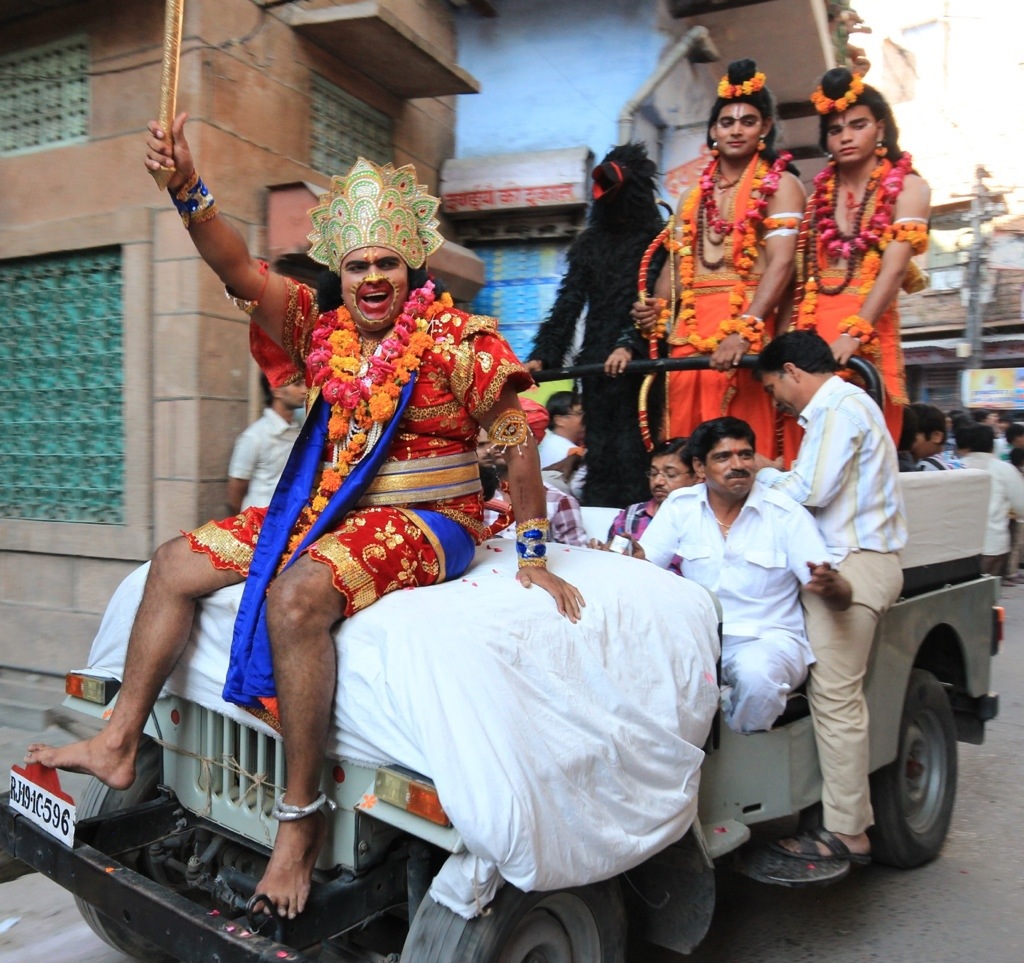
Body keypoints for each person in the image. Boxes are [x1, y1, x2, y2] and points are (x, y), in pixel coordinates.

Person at [26, 113, 584, 922]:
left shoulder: (462, 343)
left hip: (435, 519)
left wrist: (532, 554)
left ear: (411, 265)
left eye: (386, 262)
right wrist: (185, 186)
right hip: (329, 505)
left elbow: (516, 445)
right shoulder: (322, 331)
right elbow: (240, 270)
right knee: (173, 559)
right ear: (341, 271)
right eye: (356, 264)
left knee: (295, 598)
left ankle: (298, 821)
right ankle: (117, 741)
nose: (371, 278)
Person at [753, 330, 906, 865]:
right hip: (862, 558)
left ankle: (848, 831)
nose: (779, 400)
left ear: (793, 371)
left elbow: (811, 490)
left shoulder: (837, 408)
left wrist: (758, 480)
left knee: (836, 701)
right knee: (838, 698)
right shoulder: (848, 405)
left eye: (776, 389)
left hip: (853, 564)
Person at [619, 58, 805, 459]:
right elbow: (675, 265)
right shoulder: (691, 196)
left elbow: (782, 265)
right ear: (713, 131)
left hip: (747, 330)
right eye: (726, 122)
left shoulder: (781, 185)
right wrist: (657, 308)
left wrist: (747, 329)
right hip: (690, 334)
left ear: (766, 128)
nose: (736, 129)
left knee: (744, 449)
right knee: (688, 446)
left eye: (748, 121)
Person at [637, 417, 851, 733]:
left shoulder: (785, 514)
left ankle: (740, 741)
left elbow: (843, 598)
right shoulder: (681, 506)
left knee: (756, 677)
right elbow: (645, 565)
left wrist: (832, 586)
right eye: (723, 457)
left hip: (768, 642)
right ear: (700, 467)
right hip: (699, 640)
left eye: (745, 454)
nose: (738, 465)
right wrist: (622, 556)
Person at [788, 66, 931, 453]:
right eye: (835, 130)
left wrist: (855, 333)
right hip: (811, 334)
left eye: (858, 124)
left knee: (862, 457)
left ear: (880, 129)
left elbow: (895, 267)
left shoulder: (909, 188)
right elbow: (799, 279)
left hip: (867, 333)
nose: (846, 136)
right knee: (806, 458)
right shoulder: (814, 197)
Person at [527, 143, 665, 508]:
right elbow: (568, 301)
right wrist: (544, 355)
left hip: (644, 364)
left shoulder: (659, 239)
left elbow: (654, 298)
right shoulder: (589, 244)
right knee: (601, 444)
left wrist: (628, 345)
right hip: (597, 362)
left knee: (638, 443)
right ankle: (602, 518)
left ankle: (642, 519)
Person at [226, 374, 307, 514]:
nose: (304, 390)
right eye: (297, 385)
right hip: (258, 522)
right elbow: (236, 489)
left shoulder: (298, 433)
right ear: (276, 390)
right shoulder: (255, 436)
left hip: (289, 518)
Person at [954, 421, 1024, 577]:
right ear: (992, 446)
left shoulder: (955, 467)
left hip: (958, 547)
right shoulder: (1005, 469)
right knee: (987, 593)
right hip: (993, 545)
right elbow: (1022, 505)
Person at [600, 437, 695, 548]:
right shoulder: (631, 515)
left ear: (697, 476)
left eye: (671, 474)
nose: (657, 481)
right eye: (653, 473)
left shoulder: (703, 519)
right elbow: (615, 557)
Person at [537, 390, 587, 498]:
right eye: (579, 413)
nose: (585, 418)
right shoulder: (566, 450)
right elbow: (577, 488)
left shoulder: (549, 442)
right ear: (559, 420)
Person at [907, 402, 956, 470]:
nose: (906, 440)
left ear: (936, 436)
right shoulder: (952, 461)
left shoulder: (928, 466)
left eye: (912, 435)